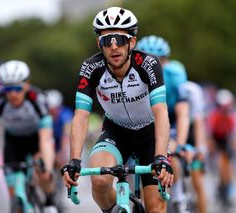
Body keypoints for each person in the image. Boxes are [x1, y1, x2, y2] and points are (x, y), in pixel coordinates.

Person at [60, 7, 173, 213]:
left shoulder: (149, 64)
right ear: (99, 44)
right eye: (106, 40)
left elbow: (161, 112)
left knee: (155, 208)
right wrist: (74, 161)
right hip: (116, 131)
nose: (114, 47)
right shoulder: (90, 68)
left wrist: (161, 157)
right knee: (100, 180)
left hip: (150, 134)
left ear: (132, 42)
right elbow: (81, 116)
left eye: (120, 40)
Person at [0, 60, 57, 211]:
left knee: (42, 170)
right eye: (7, 89)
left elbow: (46, 139)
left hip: (37, 139)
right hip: (13, 142)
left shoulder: (38, 99)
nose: (12, 93)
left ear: (26, 84)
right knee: (14, 194)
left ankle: (49, 201)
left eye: (17, 88)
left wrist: (46, 167)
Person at [136, 35, 191, 211]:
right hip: (146, 122)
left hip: (171, 120)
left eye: (160, 60)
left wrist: (181, 145)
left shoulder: (175, 73)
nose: (155, 65)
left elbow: (183, 113)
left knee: (172, 155)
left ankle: (178, 197)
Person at [180, 80, 208, 213]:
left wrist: (200, 150)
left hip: (192, 137)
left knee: (198, 184)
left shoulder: (192, 92)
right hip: (176, 134)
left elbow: (199, 123)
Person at [207, 89, 236, 207]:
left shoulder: (231, 116)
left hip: (226, 142)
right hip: (216, 141)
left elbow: (234, 135)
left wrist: (234, 147)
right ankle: (219, 185)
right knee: (219, 166)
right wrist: (211, 146)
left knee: (228, 169)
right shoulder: (215, 116)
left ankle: (228, 192)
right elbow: (209, 134)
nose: (225, 110)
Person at [45, 89, 73, 168]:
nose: (51, 112)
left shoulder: (66, 115)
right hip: (53, 140)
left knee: (64, 160)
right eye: (49, 110)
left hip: (64, 141)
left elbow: (66, 136)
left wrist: (62, 153)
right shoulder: (44, 115)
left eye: (54, 109)